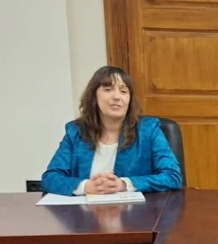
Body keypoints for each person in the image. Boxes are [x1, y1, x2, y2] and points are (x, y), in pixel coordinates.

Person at [41, 66, 182, 195]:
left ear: (129, 99)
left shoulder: (148, 130)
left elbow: (172, 176)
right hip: (85, 212)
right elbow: (50, 178)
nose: (117, 97)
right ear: (94, 96)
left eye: (123, 91)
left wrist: (124, 184)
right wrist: (86, 186)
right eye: (108, 90)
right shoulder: (76, 132)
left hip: (136, 213)